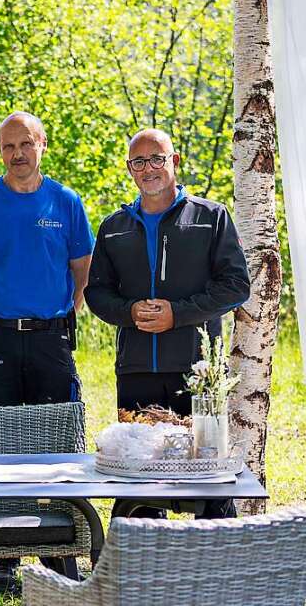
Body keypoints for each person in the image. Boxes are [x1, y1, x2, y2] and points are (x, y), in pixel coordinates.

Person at [0, 111, 94, 592]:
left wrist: (52, 318)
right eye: (8, 146)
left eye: (25, 143)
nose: (17, 154)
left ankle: (58, 550)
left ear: (42, 144)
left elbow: (82, 272)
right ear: (1, 152)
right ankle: (3, 556)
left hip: (52, 338)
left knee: (57, 440)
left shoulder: (66, 202)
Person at [84, 128, 250, 519]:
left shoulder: (211, 218)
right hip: (137, 371)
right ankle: (141, 570)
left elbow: (236, 286)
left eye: (157, 158)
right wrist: (129, 312)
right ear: (130, 170)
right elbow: (97, 293)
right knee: (137, 475)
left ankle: (219, 564)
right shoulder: (113, 227)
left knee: (206, 477)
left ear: (174, 162)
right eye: (138, 162)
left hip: (198, 374)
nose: (149, 169)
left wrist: (178, 314)